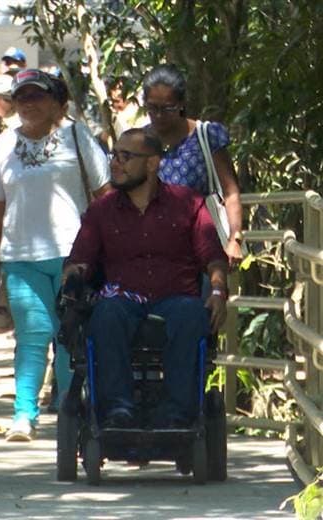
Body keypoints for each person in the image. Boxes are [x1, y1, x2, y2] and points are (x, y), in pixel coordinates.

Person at [66, 128, 229, 428]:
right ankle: (118, 409)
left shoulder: (188, 203)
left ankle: (178, 412)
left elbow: (213, 256)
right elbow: (80, 260)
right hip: (123, 297)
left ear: (152, 163)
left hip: (176, 297)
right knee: (106, 312)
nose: (115, 163)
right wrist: (72, 281)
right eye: (114, 155)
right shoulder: (101, 210)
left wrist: (218, 290)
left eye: (125, 157)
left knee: (192, 313)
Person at [0, 69, 112, 442]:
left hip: (75, 255)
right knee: (32, 334)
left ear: (58, 102)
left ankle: (71, 411)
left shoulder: (77, 136)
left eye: (37, 96)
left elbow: (104, 195)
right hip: (21, 256)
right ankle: (24, 414)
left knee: (69, 335)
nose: (28, 103)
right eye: (22, 96)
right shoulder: (4, 144)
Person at [142, 64, 243, 266]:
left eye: (167, 109)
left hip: (204, 247)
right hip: (154, 252)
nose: (159, 115)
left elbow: (230, 192)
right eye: (153, 108)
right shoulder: (139, 141)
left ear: (181, 104)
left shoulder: (207, 136)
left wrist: (235, 239)